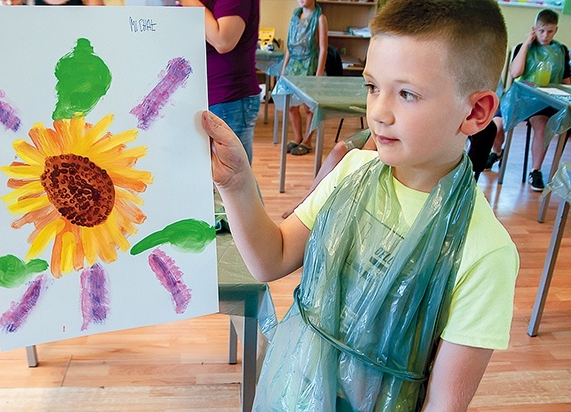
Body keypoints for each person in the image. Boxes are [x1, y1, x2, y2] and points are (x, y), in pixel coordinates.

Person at [201, 0, 519, 409]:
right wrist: (236, 182)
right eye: (372, 87)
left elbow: (444, 404)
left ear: (476, 112)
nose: (379, 112)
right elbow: (271, 258)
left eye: (407, 93)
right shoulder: (351, 169)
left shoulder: (484, 252)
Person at [485, 9, 570, 191]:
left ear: (555, 30)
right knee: (496, 124)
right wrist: (526, 43)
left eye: (549, 31)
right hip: (519, 98)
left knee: (542, 128)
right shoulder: (523, 47)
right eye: (541, 31)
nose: (545, 35)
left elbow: (565, 81)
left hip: (544, 102)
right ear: (534, 29)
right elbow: (515, 73)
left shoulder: (560, 51)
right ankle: (497, 152)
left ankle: (536, 171)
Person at [180, 0, 261, 165]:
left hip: (228, 98)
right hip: (205, 95)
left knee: (234, 182)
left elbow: (223, 40)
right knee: (218, 180)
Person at [282, 0, 328, 156]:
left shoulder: (320, 18)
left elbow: (323, 48)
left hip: (309, 64)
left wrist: (319, 74)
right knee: (291, 105)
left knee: (309, 107)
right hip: (293, 66)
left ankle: (307, 141)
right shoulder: (295, 16)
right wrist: (284, 68)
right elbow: (290, 46)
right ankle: (297, 137)